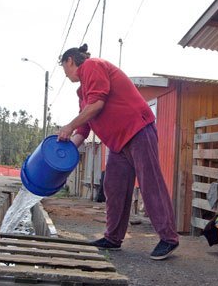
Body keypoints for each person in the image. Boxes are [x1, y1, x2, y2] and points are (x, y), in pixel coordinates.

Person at [57, 44, 179, 259]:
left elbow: (96, 105)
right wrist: (63, 152)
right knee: (113, 187)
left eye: (64, 68)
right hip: (117, 144)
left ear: (69, 61)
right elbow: (84, 128)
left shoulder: (92, 66)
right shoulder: (81, 91)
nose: (65, 74)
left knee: (150, 183)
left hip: (138, 131)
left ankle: (168, 238)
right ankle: (113, 238)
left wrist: (68, 126)